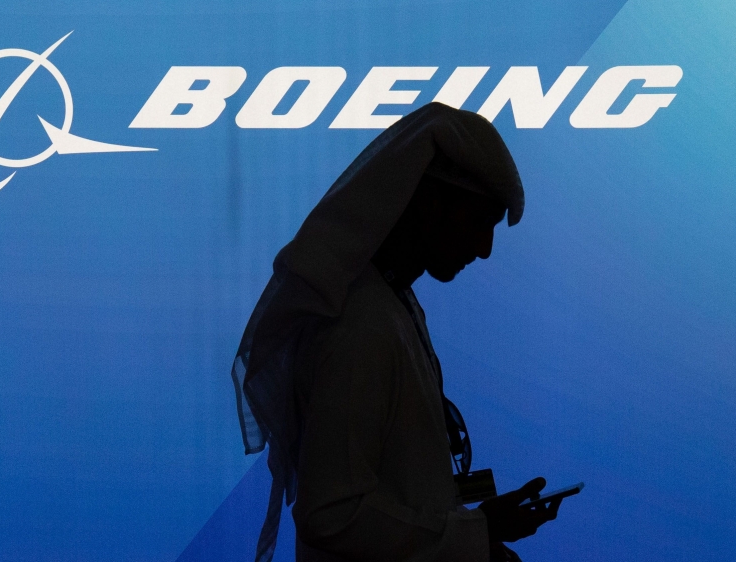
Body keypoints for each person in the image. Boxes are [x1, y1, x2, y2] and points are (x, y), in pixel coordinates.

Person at [231, 103, 561, 562]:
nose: (484, 249)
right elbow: (331, 514)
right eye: (479, 222)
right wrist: (475, 536)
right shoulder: (359, 325)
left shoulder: (391, 301)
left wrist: (481, 532)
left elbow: (395, 489)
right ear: (430, 202)